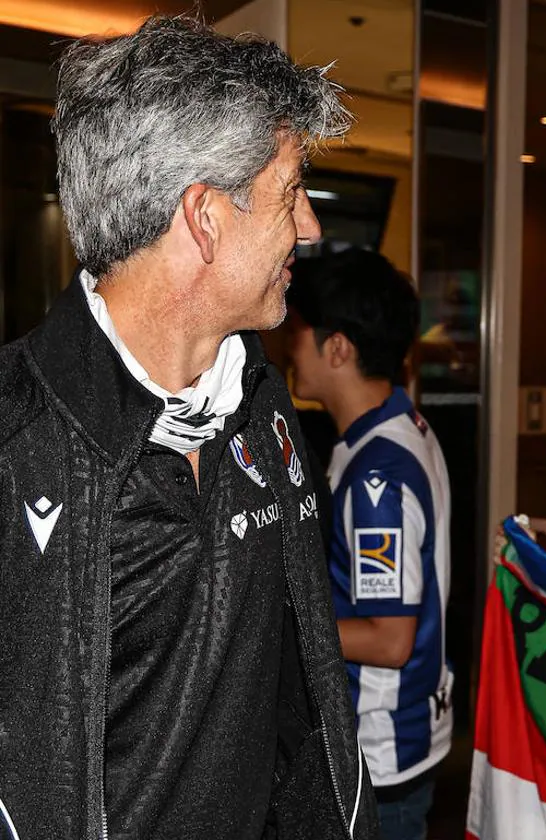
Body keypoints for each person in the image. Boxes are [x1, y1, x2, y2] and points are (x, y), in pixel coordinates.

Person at [0, 16, 377, 839]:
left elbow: (294, 691)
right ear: (204, 217)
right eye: (291, 193)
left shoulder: (265, 407)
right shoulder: (14, 443)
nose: (308, 229)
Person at [287, 249, 453, 840]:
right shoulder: (396, 428)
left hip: (380, 750)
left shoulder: (379, 473)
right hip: (403, 737)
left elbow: (388, 638)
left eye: (299, 331)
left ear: (338, 349)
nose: (287, 346)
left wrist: (282, 622)